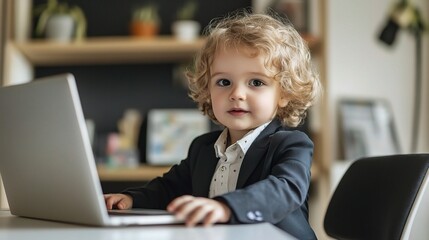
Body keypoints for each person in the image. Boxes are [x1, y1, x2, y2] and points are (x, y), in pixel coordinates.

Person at [104, 9, 321, 239]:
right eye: (224, 81)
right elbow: (168, 189)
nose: (237, 94)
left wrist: (226, 207)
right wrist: (130, 199)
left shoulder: (291, 144)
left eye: (256, 82)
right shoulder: (202, 148)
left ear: (284, 93)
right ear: (208, 89)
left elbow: (285, 190)